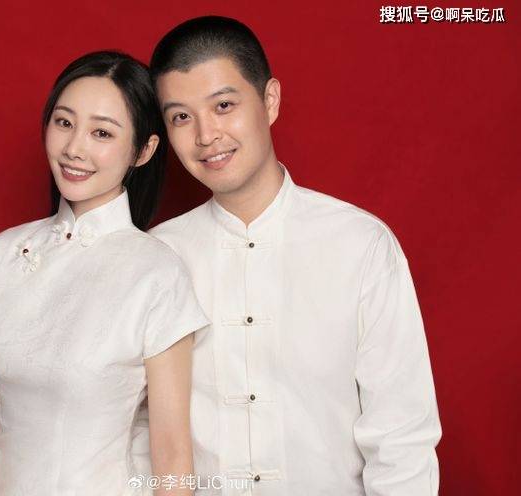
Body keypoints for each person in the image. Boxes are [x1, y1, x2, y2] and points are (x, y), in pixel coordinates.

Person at [132, 16, 442, 495]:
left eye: (224, 105)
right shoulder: (157, 257)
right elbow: (135, 429)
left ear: (270, 100)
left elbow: (402, 438)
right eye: (181, 117)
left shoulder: (360, 245)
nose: (206, 135)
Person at [0, 51, 209, 496]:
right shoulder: (5, 253)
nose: (74, 148)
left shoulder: (157, 273)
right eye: (64, 122)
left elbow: (172, 452)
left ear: (144, 150)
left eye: (102, 133)